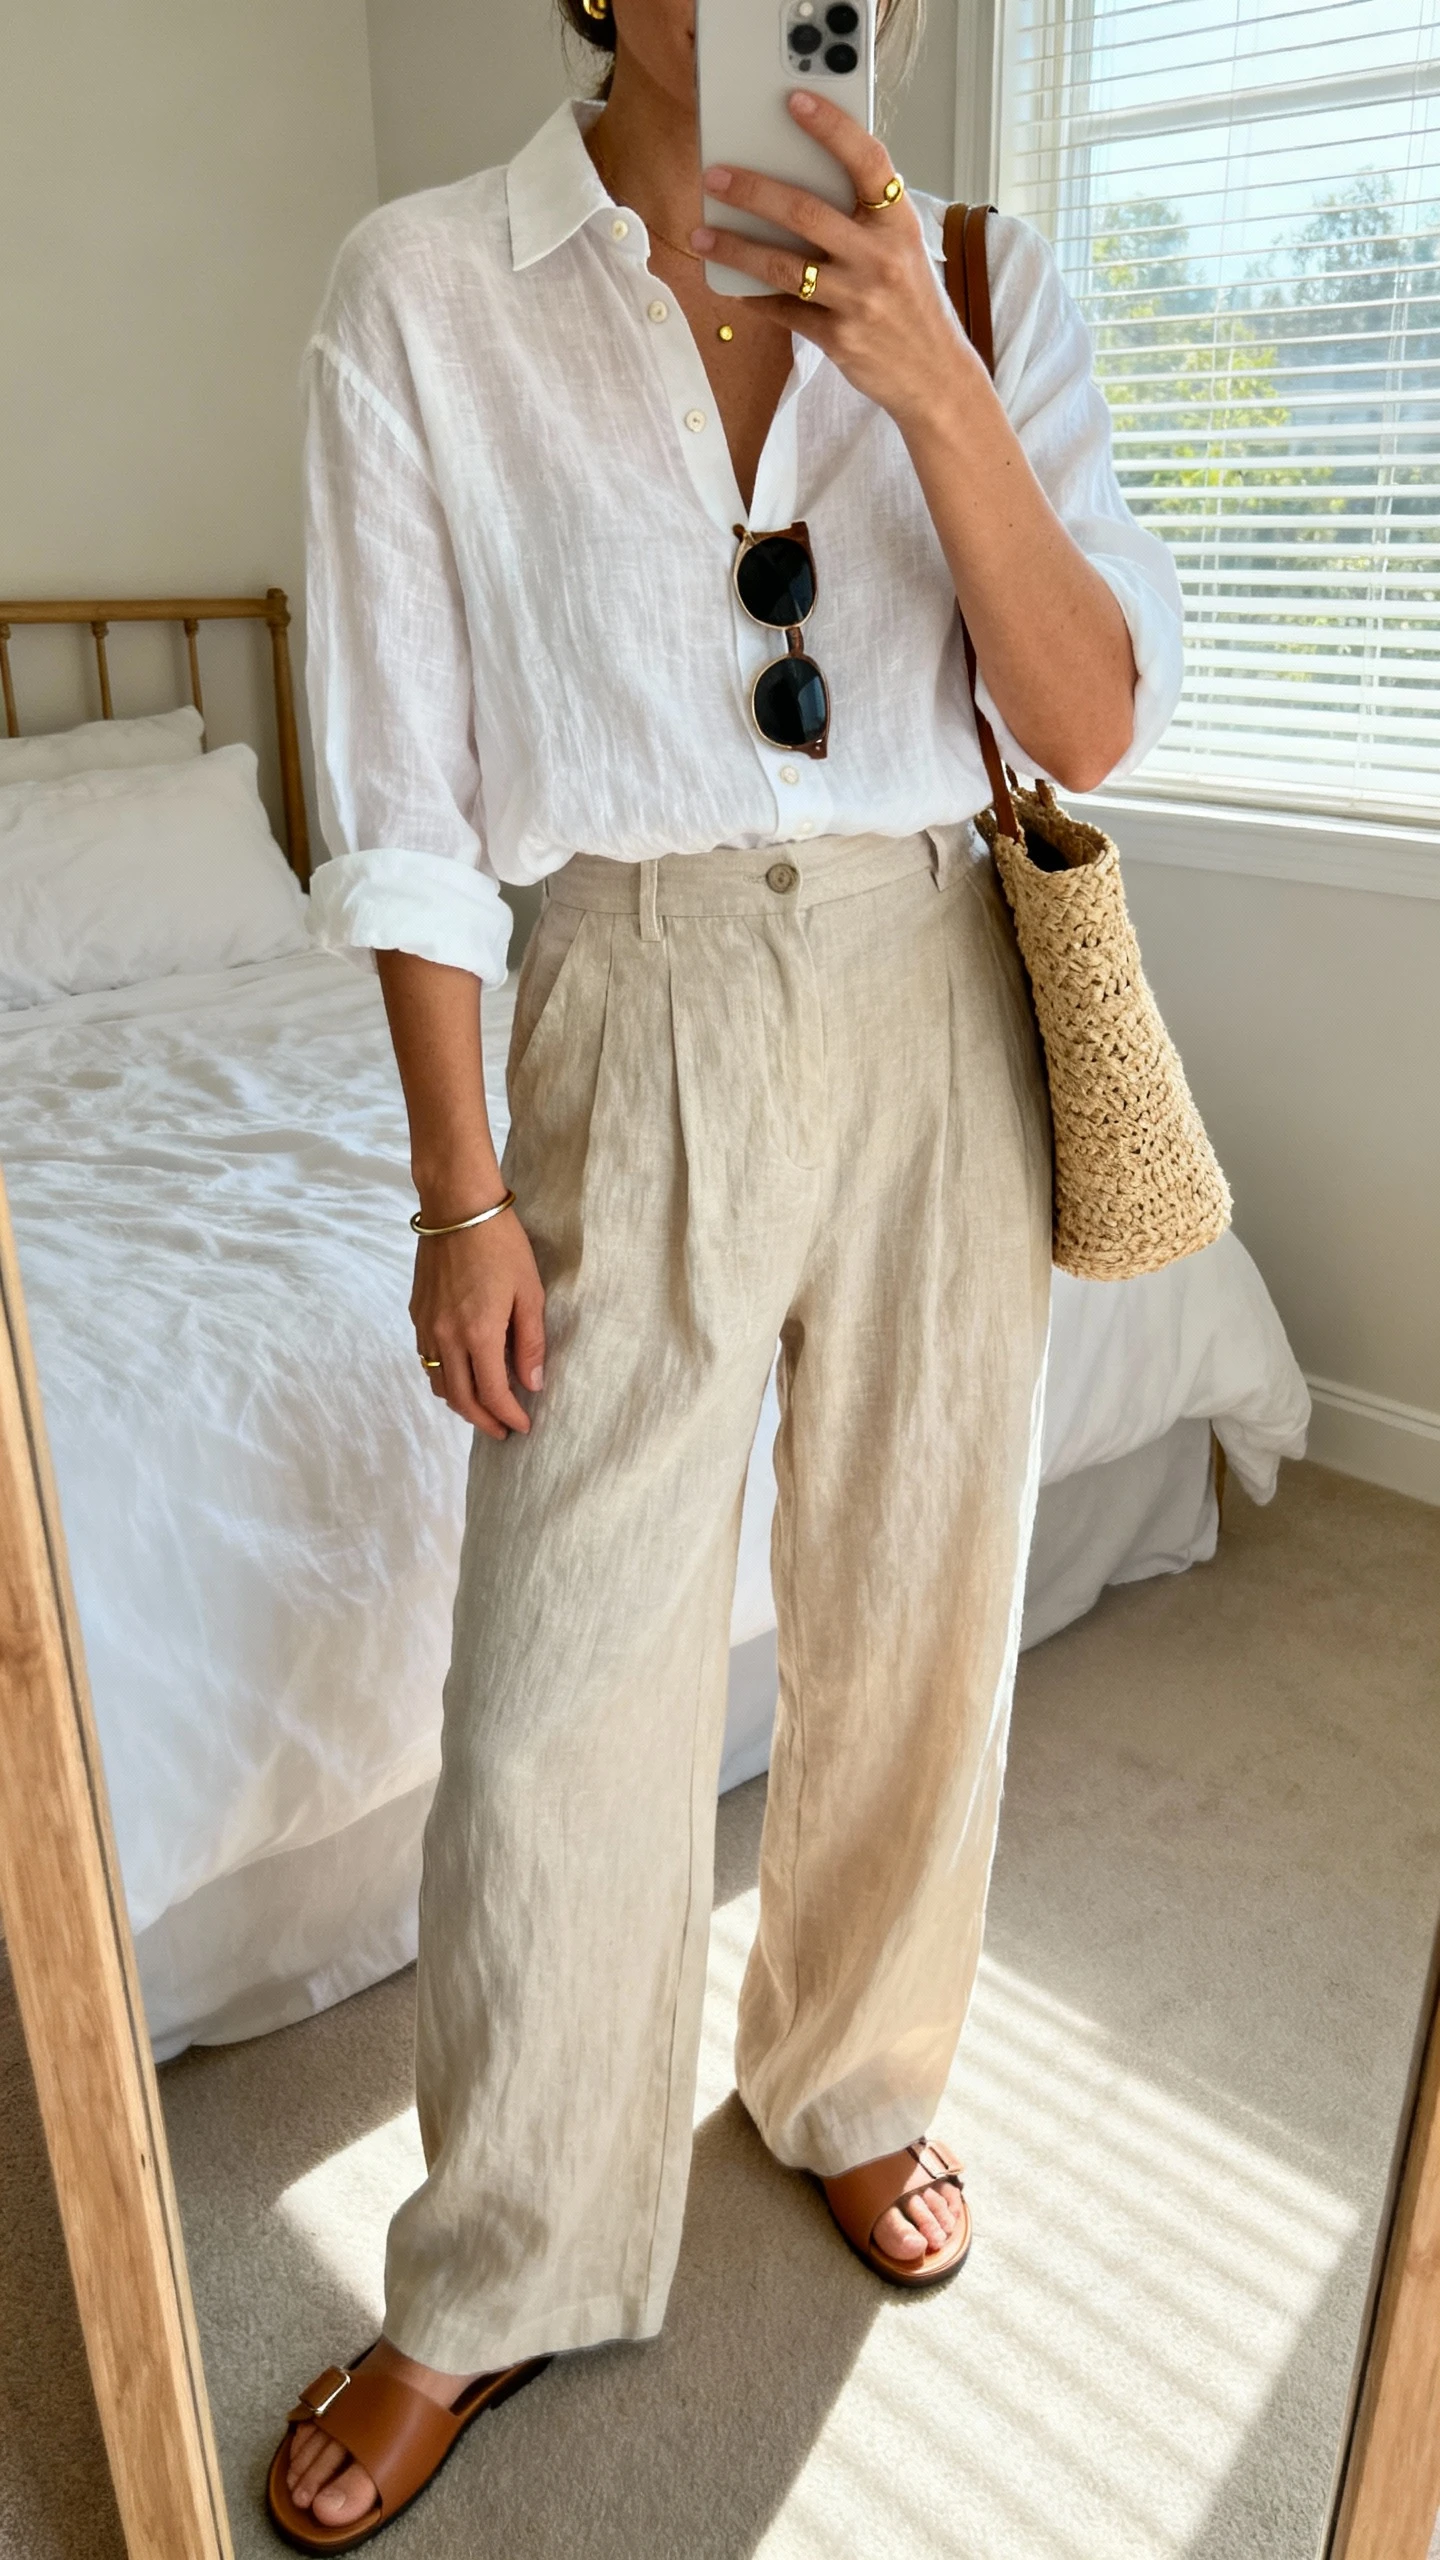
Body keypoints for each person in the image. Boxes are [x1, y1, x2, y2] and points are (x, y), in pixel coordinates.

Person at [266, 0, 1182, 2541]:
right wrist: (459, 1186)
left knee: (918, 1594)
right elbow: (411, 789)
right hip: (624, 989)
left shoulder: (988, 271)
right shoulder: (424, 290)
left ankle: (858, 2072)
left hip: (932, 981)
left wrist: (934, 388)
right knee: (564, 1659)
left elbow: (1089, 710)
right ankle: (501, 2251)